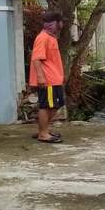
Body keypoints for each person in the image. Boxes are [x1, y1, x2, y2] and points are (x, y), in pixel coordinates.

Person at [29, 10, 66, 144]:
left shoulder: (51, 37)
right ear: (55, 23)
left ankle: (43, 130)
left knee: (55, 105)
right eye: (60, 22)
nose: (62, 25)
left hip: (54, 78)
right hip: (48, 79)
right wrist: (40, 77)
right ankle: (43, 134)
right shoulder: (43, 38)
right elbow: (36, 58)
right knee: (47, 106)